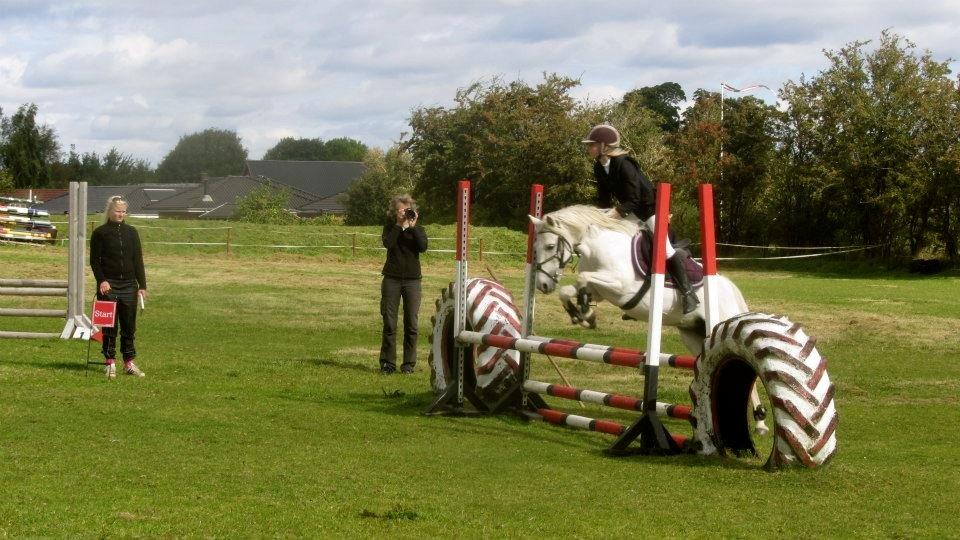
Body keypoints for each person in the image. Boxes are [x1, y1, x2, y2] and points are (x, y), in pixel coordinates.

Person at [582, 124, 700, 314]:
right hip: (631, 211)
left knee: (665, 249)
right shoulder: (599, 166)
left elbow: (635, 198)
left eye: (592, 144)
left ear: (604, 146)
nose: (589, 148)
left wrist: (616, 212)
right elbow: (603, 198)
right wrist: (600, 216)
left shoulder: (624, 164)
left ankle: (688, 294)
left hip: (650, 209)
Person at [90, 195, 148, 379]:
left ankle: (129, 362)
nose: (120, 214)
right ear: (110, 211)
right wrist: (102, 281)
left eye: (123, 211)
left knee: (129, 326)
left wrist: (142, 285)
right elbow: (94, 261)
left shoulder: (132, 232)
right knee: (109, 327)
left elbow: (138, 260)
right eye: (117, 211)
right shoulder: (100, 233)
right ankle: (110, 362)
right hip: (109, 286)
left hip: (130, 285)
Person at [378, 194, 428, 374]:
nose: (405, 213)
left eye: (408, 210)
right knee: (390, 323)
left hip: (413, 280)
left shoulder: (418, 229)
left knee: (411, 324)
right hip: (391, 278)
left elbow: (423, 247)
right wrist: (399, 226)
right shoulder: (390, 227)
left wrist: (413, 227)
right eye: (401, 210)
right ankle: (388, 364)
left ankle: (408, 365)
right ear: (395, 212)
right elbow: (388, 244)